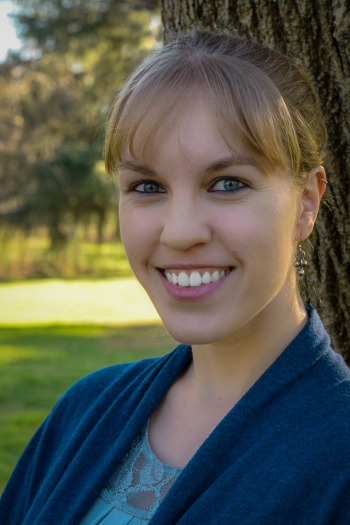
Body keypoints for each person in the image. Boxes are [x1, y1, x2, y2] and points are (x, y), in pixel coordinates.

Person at [1, 30, 350, 525]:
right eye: (147, 186)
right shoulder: (83, 411)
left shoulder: (340, 458)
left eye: (228, 184)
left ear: (306, 204)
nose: (181, 232)